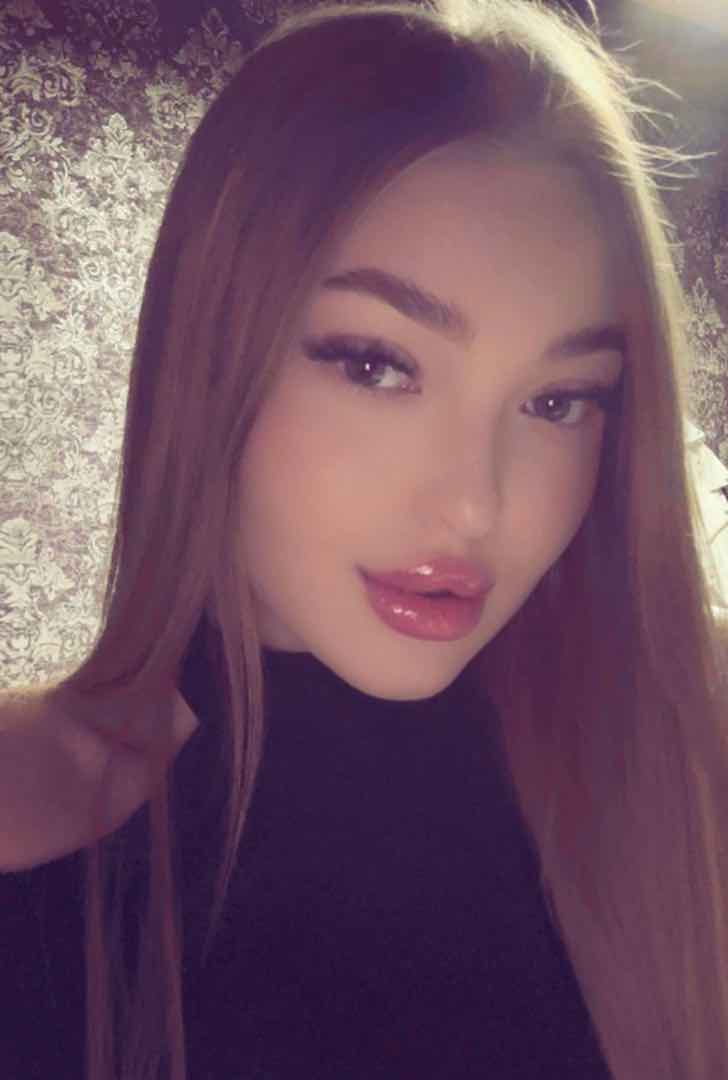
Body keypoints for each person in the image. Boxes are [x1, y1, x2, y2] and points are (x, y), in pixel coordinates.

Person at [2, 0, 728, 1077]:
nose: (473, 508)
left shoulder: (685, 754)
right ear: (214, 351)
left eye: (558, 401)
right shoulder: (27, 819)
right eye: (376, 366)